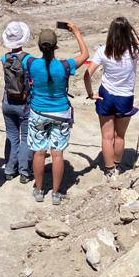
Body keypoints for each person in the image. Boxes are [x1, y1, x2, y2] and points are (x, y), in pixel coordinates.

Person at [83, 17, 139, 177]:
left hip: (106, 95)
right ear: (128, 33)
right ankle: (117, 167)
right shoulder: (135, 51)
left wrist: (91, 93)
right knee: (119, 135)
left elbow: (87, 74)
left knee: (106, 137)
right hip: (125, 97)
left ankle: (109, 169)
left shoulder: (103, 50)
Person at [25, 23, 89, 205]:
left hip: (38, 111)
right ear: (55, 47)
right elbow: (85, 55)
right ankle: (55, 193)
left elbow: (14, 55)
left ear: (39, 46)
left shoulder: (31, 63)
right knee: (57, 154)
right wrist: (76, 31)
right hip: (60, 112)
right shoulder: (65, 66)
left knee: (39, 152)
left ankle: (38, 189)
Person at [0, 21, 33, 183]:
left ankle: (9, 169)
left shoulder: (4, 57)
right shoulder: (29, 60)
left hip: (7, 101)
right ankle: (24, 171)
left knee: (12, 135)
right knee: (25, 137)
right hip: (24, 103)